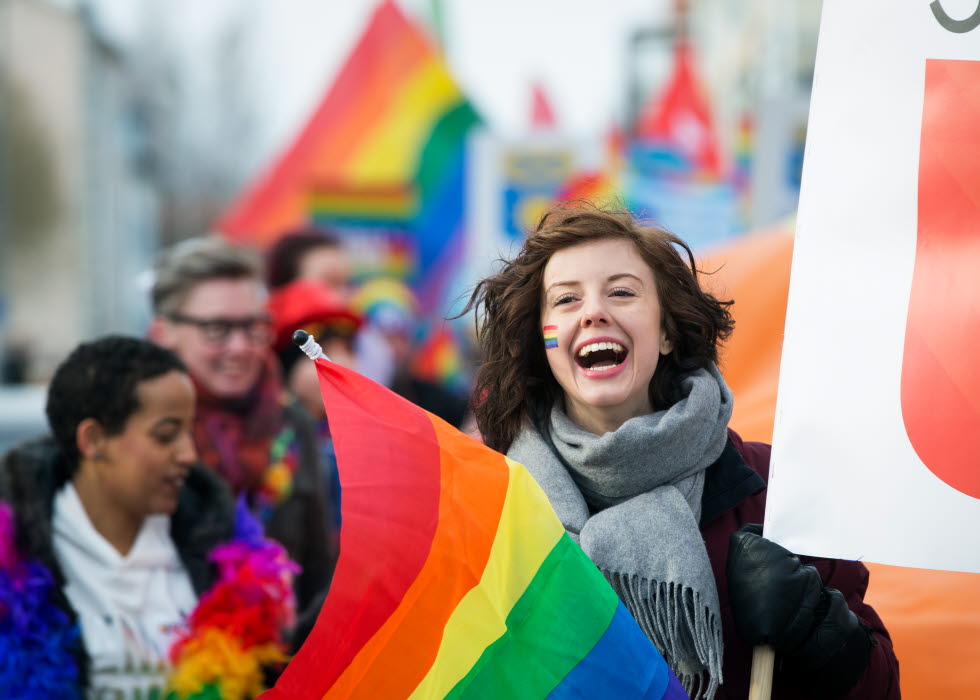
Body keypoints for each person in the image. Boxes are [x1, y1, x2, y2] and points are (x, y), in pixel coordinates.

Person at [464, 203, 900, 700]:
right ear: (542, 340)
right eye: (566, 300)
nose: (593, 311)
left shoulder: (774, 488)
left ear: (668, 332)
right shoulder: (495, 504)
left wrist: (814, 623)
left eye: (622, 292)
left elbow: (883, 688)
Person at [0, 336, 294, 697]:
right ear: (93, 440)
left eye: (189, 431)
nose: (188, 454)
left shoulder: (225, 555)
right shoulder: (13, 559)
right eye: (166, 435)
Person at [148, 236, 337, 618]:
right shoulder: (136, 430)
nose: (239, 348)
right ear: (164, 331)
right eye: (216, 328)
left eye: (253, 326)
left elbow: (318, 578)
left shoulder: (291, 424)